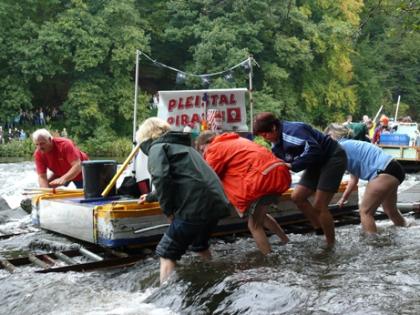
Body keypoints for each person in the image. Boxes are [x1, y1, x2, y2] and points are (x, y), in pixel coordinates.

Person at [136, 117, 232, 283]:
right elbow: (182, 178)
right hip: (215, 204)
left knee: (166, 252)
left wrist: (168, 210)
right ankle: (216, 280)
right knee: (200, 245)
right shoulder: (185, 147)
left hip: (195, 206)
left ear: (145, 137)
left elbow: (161, 178)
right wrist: (151, 196)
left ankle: (163, 298)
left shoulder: (157, 147)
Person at [253, 112, 347, 247]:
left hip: (332, 157)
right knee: (297, 196)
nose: (266, 138)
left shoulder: (293, 132)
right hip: (316, 162)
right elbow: (279, 165)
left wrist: (293, 165)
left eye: (265, 134)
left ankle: (330, 244)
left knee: (320, 206)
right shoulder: (275, 143)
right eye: (262, 136)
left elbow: (315, 151)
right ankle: (319, 229)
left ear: (274, 127)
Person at [196, 131, 290, 254]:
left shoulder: (214, 148)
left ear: (207, 142)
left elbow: (208, 177)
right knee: (260, 215)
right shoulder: (237, 140)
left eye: (202, 150)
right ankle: (286, 241)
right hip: (278, 173)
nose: (204, 154)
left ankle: (269, 259)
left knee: (254, 225)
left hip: (263, 178)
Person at [325, 123, 406, 233]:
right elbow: (354, 179)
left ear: (331, 135)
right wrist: (344, 197)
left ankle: (372, 246)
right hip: (395, 169)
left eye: (327, 137)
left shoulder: (340, 147)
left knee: (365, 212)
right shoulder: (350, 146)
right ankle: (405, 228)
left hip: (383, 171)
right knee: (390, 210)